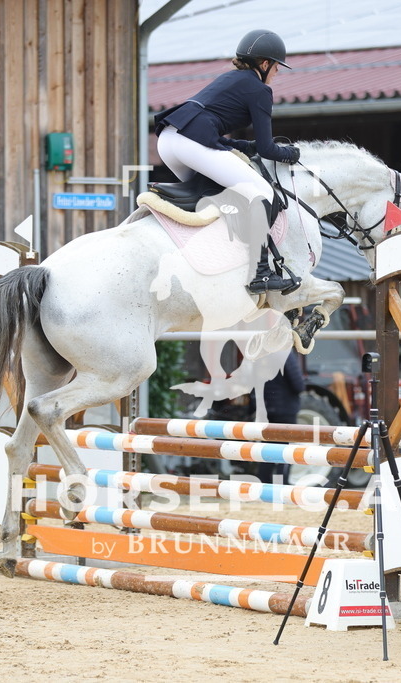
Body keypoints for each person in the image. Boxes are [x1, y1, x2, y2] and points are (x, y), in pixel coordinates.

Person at [154, 29, 302, 294]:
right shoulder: (259, 90)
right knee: (262, 193)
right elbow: (268, 150)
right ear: (265, 63)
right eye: (278, 67)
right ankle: (260, 274)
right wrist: (290, 154)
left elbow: (209, 131)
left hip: (169, 140)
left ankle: (217, 256)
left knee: (218, 194)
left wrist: (245, 146)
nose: (278, 73)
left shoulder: (231, 78)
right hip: (190, 143)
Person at [256, 352, 305, 485]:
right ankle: (282, 484)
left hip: (268, 408)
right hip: (285, 408)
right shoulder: (286, 354)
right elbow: (298, 384)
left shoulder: (263, 354)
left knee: (267, 448)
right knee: (286, 450)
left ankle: (263, 482)